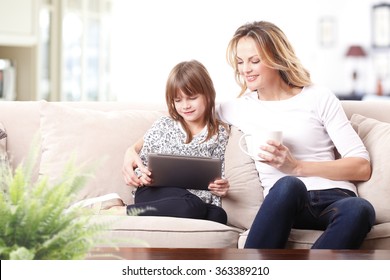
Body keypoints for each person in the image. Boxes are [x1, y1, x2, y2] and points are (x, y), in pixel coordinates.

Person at [217, 21, 375, 249]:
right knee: (289, 184)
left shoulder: (318, 97)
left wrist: (298, 167)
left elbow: (362, 166)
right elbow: (182, 113)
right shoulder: (240, 108)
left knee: (361, 208)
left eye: (254, 61)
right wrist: (143, 151)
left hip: (334, 197)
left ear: (276, 59)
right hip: (285, 201)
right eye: (240, 62)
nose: (245, 70)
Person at [121, 60, 230, 224]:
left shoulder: (220, 133)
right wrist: (143, 177)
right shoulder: (163, 125)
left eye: (192, 98)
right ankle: (121, 211)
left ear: (208, 95)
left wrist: (220, 187)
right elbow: (141, 165)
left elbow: (218, 175)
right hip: (154, 193)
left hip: (194, 200)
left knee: (219, 215)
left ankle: (186, 208)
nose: (185, 106)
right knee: (192, 206)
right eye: (178, 100)